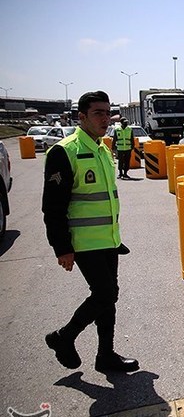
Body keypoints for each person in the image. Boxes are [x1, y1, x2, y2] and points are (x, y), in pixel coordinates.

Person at [42, 90, 139, 373]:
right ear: (81, 117)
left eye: (108, 113)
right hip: (83, 243)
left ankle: (105, 355)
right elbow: (52, 206)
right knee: (105, 294)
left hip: (108, 240)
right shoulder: (65, 151)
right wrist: (61, 247)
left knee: (109, 296)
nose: (105, 119)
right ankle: (64, 337)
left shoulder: (102, 148)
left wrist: (115, 238)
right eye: (98, 113)